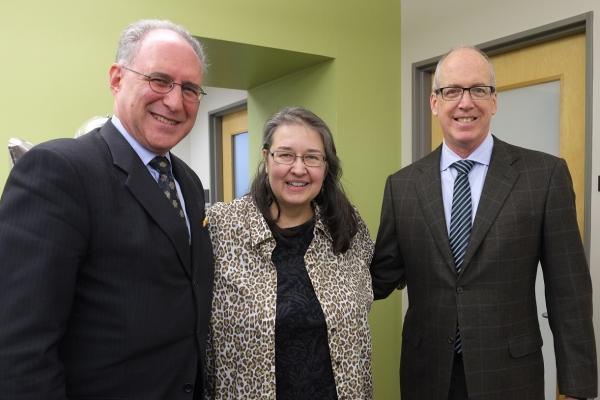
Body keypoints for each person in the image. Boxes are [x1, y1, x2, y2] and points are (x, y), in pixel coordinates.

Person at [0, 19, 213, 399]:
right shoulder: (59, 170)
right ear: (117, 79)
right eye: (159, 80)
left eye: (190, 89)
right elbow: (20, 346)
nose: (175, 101)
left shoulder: (189, 183)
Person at [370, 46, 597, 400]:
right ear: (434, 103)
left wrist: (578, 387)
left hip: (509, 376)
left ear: (494, 101)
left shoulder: (544, 176)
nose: (465, 102)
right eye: (452, 91)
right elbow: (381, 274)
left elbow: (568, 291)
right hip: (426, 374)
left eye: (478, 90)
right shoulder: (402, 186)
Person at [204, 106, 374, 399]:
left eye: (312, 157)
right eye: (285, 155)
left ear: (326, 166)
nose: (299, 168)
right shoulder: (221, 228)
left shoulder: (347, 226)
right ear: (267, 158)